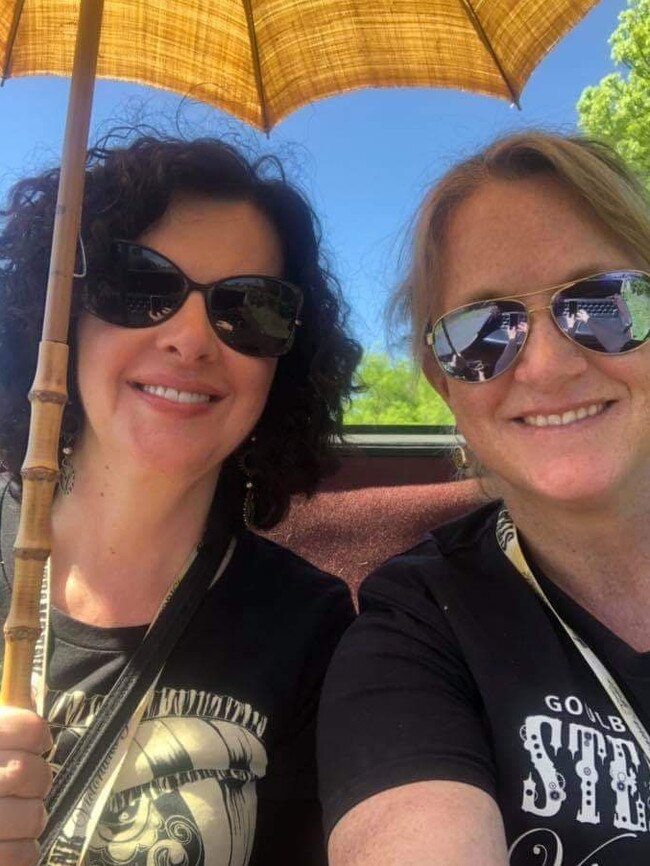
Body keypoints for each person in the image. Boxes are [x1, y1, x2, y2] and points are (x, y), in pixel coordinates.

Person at [0, 133, 361, 866]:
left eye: (250, 308)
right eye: (142, 283)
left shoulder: (312, 629)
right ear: (59, 316)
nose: (191, 338)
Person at [318, 131, 650, 865]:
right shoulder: (418, 631)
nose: (549, 364)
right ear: (446, 386)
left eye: (602, 303)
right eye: (483, 333)